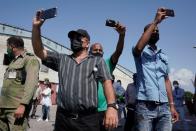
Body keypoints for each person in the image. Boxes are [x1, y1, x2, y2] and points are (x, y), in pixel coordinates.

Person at [32, 10, 118, 131]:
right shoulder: (62, 59)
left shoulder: (97, 61)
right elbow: (39, 52)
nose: (74, 40)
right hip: (63, 119)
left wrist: (111, 106)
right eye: (72, 38)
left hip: (87, 120)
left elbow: (107, 82)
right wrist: (36, 28)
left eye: (78, 38)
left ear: (87, 43)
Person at [132, 8, 179, 131]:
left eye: (157, 31)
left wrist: (172, 106)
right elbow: (138, 47)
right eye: (153, 31)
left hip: (164, 108)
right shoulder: (139, 51)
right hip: (145, 107)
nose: (155, 32)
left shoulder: (163, 55)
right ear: (145, 34)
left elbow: (167, 81)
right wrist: (155, 22)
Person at [89, 21, 125, 131]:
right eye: (95, 50)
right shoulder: (84, 65)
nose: (98, 52)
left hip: (105, 110)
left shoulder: (107, 63)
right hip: (88, 112)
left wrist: (121, 35)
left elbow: (118, 52)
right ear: (90, 52)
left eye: (100, 50)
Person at [0, 36, 40, 131]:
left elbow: (31, 83)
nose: (7, 49)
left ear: (12, 46)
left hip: (16, 108)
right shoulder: (13, 61)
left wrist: (23, 105)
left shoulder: (30, 59)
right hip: (3, 107)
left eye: (7, 46)